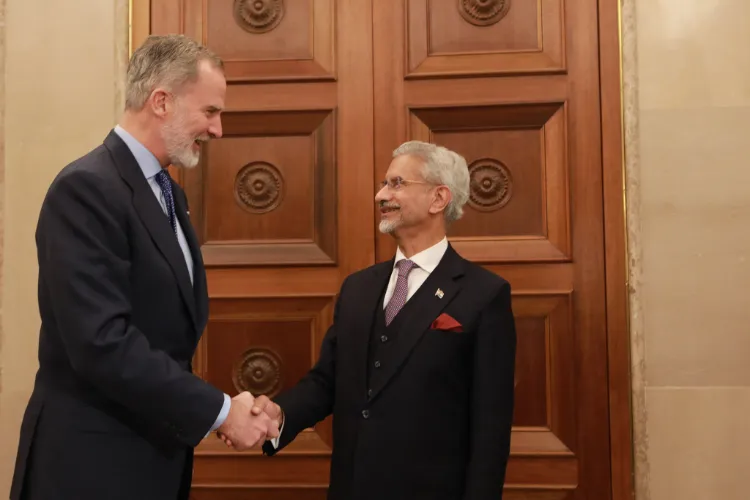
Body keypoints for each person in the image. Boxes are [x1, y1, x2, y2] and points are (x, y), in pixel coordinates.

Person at [10, 34, 277, 500]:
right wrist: (219, 411)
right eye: (210, 112)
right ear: (161, 102)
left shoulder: (171, 194)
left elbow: (165, 335)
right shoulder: (86, 190)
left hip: (151, 457)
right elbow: (101, 343)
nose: (217, 130)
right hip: (90, 466)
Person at [244, 141, 517, 499]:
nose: (380, 195)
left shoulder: (484, 294)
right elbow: (328, 380)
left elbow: (490, 428)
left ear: (438, 198)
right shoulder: (359, 288)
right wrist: (279, 416)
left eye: (397, 183)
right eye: (384, 184)